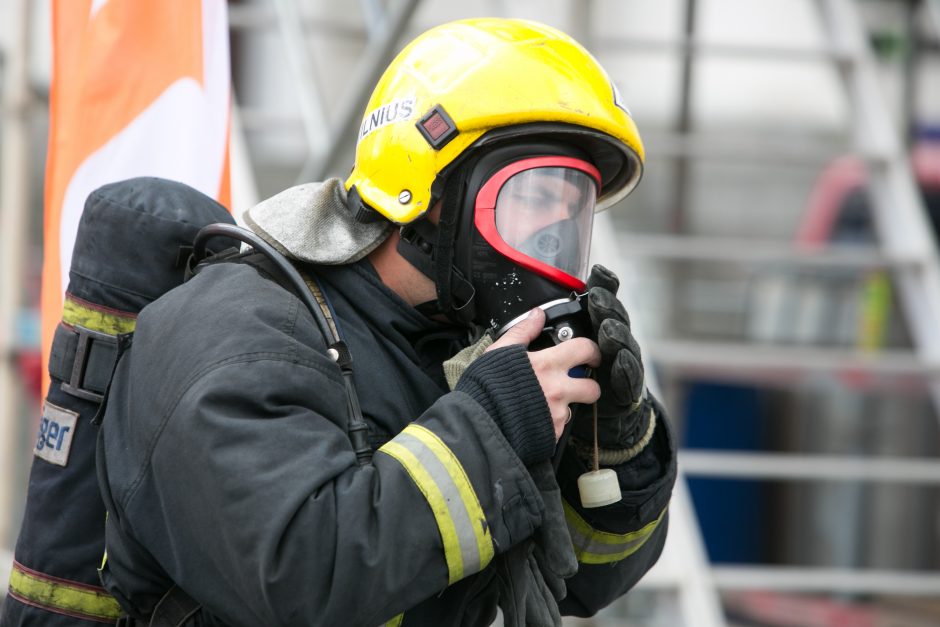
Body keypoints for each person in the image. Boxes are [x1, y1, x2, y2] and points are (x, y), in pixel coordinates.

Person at [97, 17, 676, 627]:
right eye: (532, 196)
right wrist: (494, 428)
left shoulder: (463, 351)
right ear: (423, 195)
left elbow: (580, 581)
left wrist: (613, 447)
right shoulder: (238, 338)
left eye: (572, 210)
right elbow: (302, 581)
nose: (551, 238)